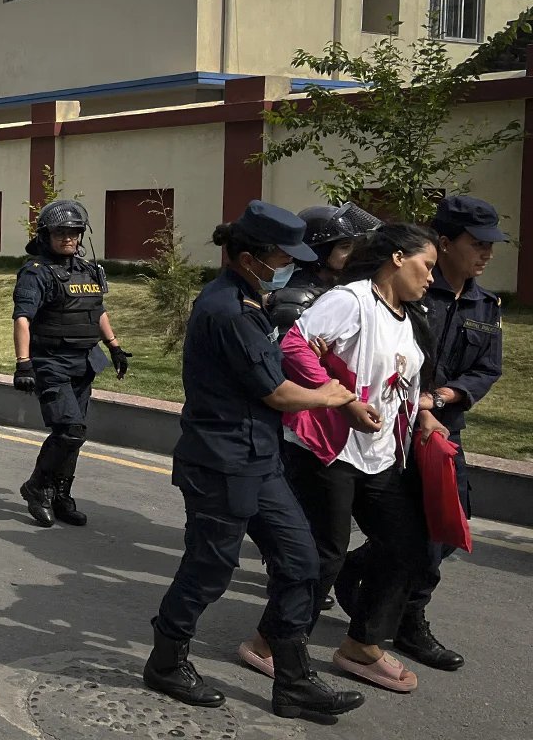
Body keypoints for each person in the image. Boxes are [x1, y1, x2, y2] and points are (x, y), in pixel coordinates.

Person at [145, 200, 364, 719]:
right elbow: (278, 395)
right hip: (221, 461)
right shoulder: (227, 310)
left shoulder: (251, 298)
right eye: (281, 255)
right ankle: (166, 659)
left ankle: (292, 681)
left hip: (259, 458)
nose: (288, 263)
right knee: (209, 569)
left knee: (301, 563)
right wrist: (333, 396)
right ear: (249, 256)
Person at [256, 223, 440, 694]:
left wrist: (422, 415)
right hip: (329, 449)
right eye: (426, 266)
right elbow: (294, 345)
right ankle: (271, 643)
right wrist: (340, 401)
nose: (430, 278)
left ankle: (361, 645)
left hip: (380, 455)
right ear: (397, 258)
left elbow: (403, 380)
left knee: (406, 545)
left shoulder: (408, 314)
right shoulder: (351, 300)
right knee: (324, 554)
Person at [339, 196, 505, 673]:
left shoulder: (484, 304)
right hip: (392, 428)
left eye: (491, 246)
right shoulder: (408, 293)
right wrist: (418, 401)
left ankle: (364, 567)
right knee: (419, 535)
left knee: (450, 527)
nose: (486, 255)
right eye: (477, 244)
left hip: (441, 431)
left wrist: (444, 397)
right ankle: (410, 620)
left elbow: (487, 369)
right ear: (444, 243)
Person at [11, 200, 130, 528]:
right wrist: (24, 364)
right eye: (61, 232)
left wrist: (115, 347)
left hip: (84, 362)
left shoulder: (88, 270)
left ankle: (62, 495)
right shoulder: (35, 273)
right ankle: (37, 486)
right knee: (70, 430)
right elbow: (23, 318)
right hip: (51, 362)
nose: (68, 237)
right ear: (46, 235)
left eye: (74, 231)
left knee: (77, 433)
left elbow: (97, 309)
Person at [268, 203, 382, 333]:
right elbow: (289, 349)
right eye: (345, 247)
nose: (353, 253)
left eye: (354, 247)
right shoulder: (297, 298)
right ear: (320, 252)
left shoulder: (342, 286)